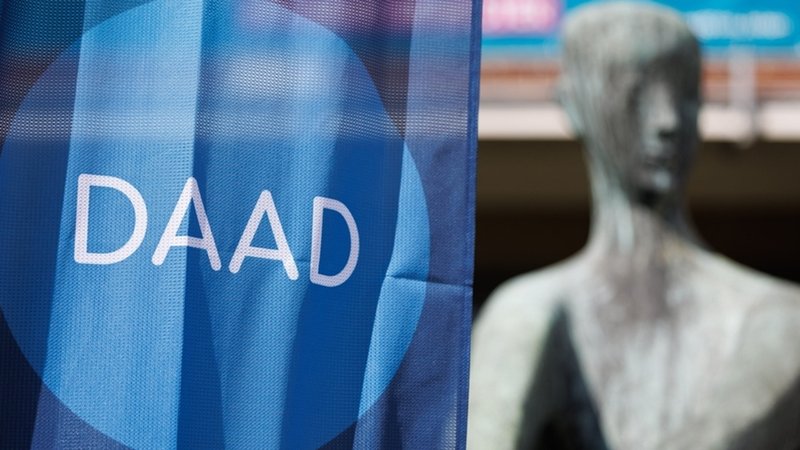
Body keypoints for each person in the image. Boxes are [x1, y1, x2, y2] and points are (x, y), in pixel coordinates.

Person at [468, 3, 800, 449]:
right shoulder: (533, 311)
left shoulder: (778, 320)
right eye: (635, 91)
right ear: (572, 104)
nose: (667, 121)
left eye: (684, 94)